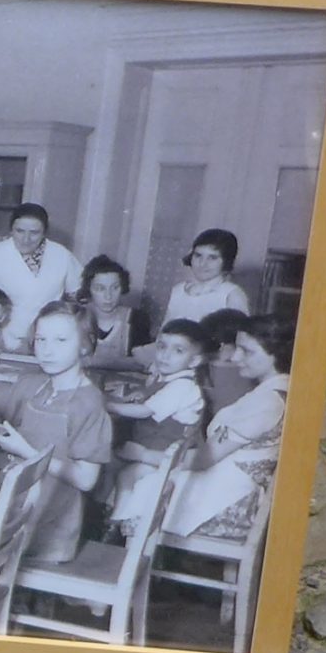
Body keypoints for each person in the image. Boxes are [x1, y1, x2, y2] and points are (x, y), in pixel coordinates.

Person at [0, 302, 114, 564]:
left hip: (49, 520)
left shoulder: (88, 402)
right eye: (41, 339)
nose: (47, 349)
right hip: (19, 500)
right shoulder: (35, 384)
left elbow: (87, 480)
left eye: (60, 340)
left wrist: (28, 453)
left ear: (85, 345)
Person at [172, 312, 290, 539]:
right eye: (237, 348)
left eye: (247, 351)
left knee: (141, 482)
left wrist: (155, 458)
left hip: (229, 505)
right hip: (230, 490)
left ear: (276, 353)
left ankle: (127, 566)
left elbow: (203, 460)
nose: (235, 357)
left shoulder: (267, 402)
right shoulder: (273, 392)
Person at [106, 319, 212, 535]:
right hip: (154, 449)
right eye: (162, 347)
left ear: (195, 360)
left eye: (178, 350)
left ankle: (117, 526)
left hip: (163, 456)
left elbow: (145, 411)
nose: (165, 355)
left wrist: (108, 405)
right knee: (114, 469)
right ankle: (111, 517)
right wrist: (140, 394)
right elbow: (155, 397)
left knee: (127, 474)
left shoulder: (183, 386)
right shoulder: (169, 378)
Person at [0, 203, 86, 352]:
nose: (26, 239)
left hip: (47, 340)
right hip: (2, 340)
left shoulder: (61, 255)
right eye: (20, 231)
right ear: (11, 230)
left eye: (34, 232)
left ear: (44, 232)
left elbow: (79, 296)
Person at [163, 229, 251, 327]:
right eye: (198, 256)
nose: (203, 264)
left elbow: (238, 336)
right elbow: (164, 331)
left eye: (212, 258)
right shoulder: (177, 291)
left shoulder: (231, 294)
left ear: (226, 261)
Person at [78, 255, 152, 367]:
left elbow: (142, 363)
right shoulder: (77, 316)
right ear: (89, 289)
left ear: (123, 287)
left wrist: (93, 362)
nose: (108, 296)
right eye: (100, 288)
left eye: (115, 288)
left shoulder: (137, 319)